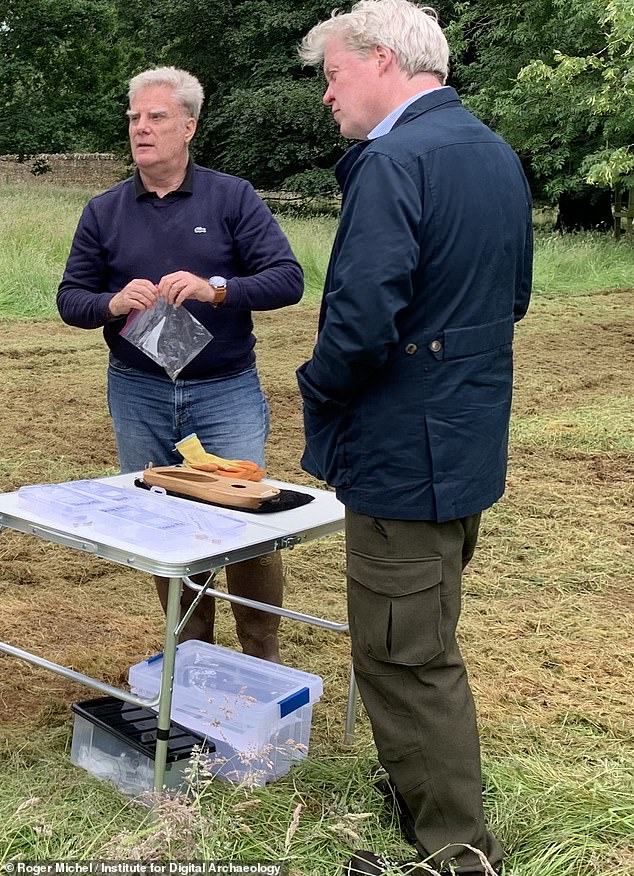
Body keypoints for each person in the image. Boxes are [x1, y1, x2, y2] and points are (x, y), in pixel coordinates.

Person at [297, 2, 533, 874]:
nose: (327, 98)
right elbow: (512, 297)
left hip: (405, 450)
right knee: (421, 630)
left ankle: (455, 852)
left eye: (332, 75)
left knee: (405, 654)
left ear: (383, 60)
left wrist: (315, 386)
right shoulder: (492, 150)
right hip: (465, 440)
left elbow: (359, 323)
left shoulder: (393, 159)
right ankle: (418, 792)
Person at [58, 67, 304, 663]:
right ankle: (191, 655)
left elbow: (288, 279)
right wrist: (111, 304)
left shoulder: (232, 197)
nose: (141, 128)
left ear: (189, 127)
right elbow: (71, 299)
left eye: (157, 117)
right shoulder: (104, 210)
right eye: (135, 118)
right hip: (137, 388)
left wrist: (216, 289)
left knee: (246, 521)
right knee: (160, 523)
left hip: (224, 388)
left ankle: (259, 657)